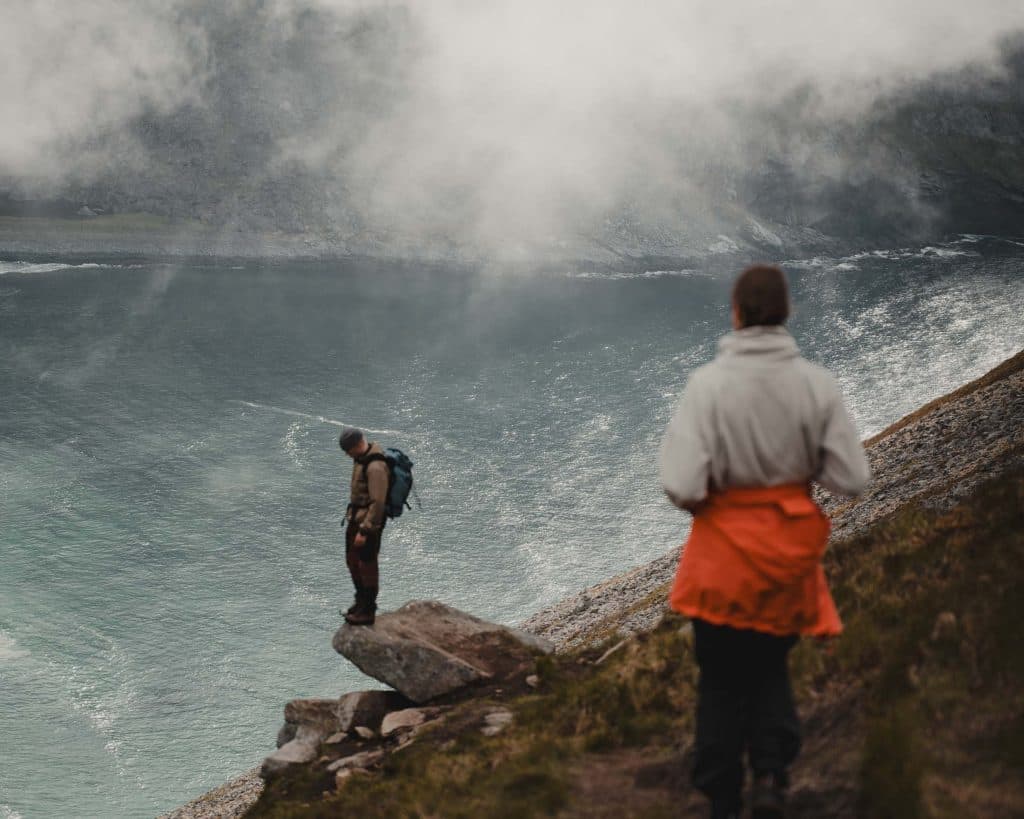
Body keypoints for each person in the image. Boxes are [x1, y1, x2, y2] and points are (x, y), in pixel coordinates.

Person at [659, 264, 870, 819]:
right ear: (785, 312)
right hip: (787, 553)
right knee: (770, 663)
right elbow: (852, 479)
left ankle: (721, 794)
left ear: (736, 312)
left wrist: (722, 496)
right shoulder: (815, 384)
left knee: (722, 675)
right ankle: (773, 778)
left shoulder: (707, 386)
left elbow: (680, 484)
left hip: (723, 553)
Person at [339, 427, 389, 626]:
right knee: (353, 561)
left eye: (348, 450)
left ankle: (368, 610)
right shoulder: (361, 459)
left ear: (358, 444)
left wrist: (365, 531)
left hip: (367, 524)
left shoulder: (375, 466)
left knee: (366, 566)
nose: (346, 454)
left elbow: (378, 503)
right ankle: (360, 602)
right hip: (355, 519)